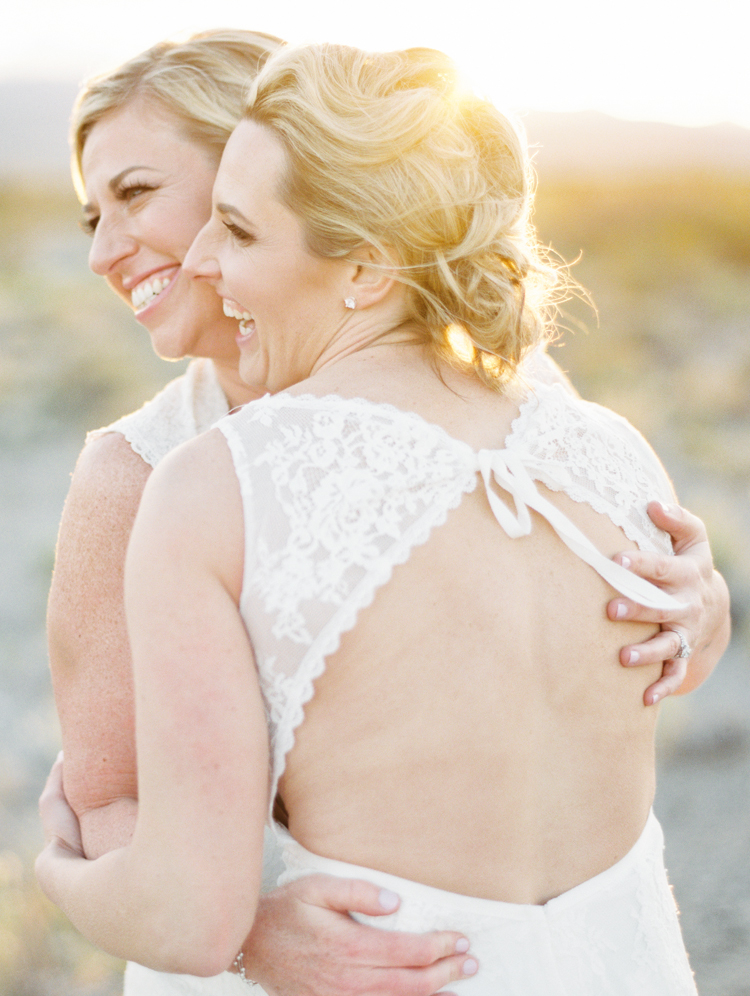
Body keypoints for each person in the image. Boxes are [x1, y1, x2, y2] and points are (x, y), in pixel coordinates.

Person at [38, 42, 728, 993]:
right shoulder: (140, 476)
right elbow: (113, 794)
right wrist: (253, 933)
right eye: (90, 213)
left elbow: (617, 660)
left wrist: (701, 603)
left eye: (140, 192)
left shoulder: (532, 415)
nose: (105, 249)